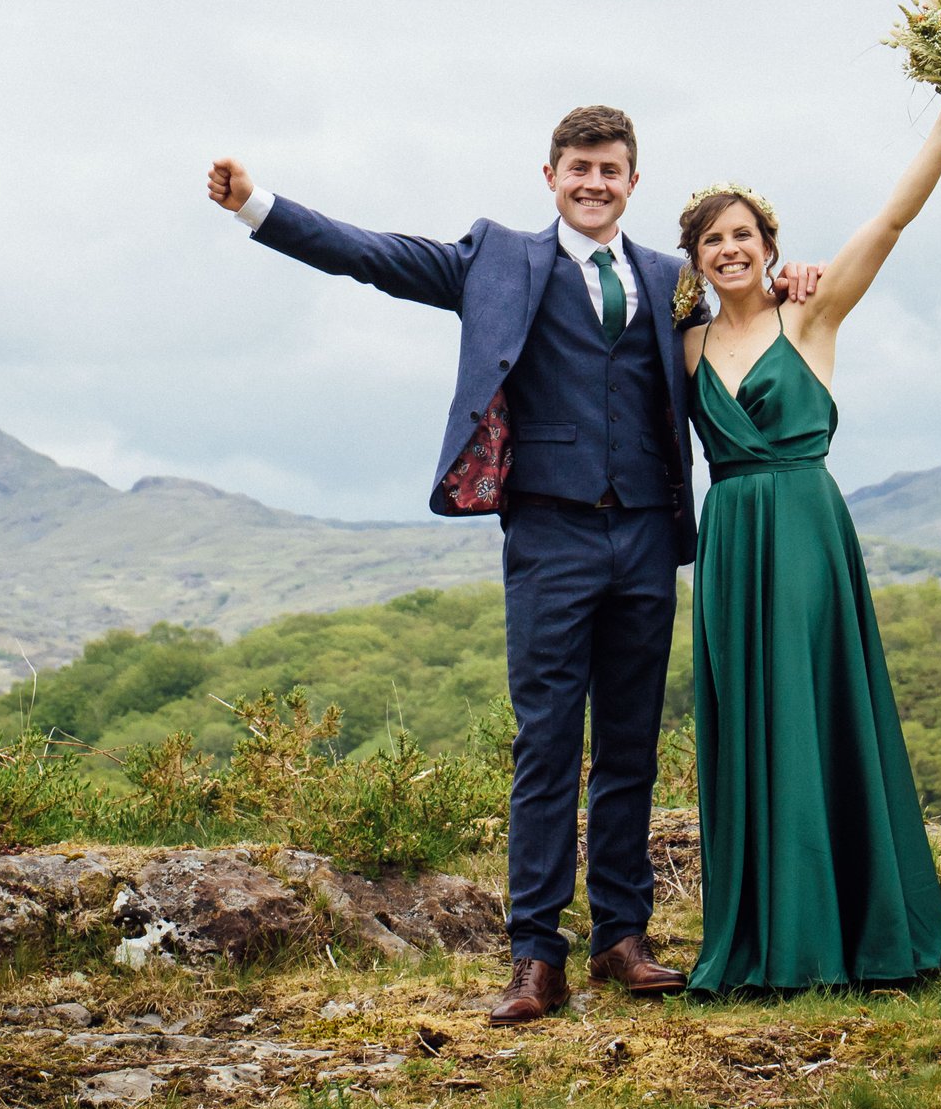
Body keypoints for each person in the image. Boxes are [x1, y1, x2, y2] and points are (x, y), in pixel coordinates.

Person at [207, 108, 818, 1023]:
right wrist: (259, 204)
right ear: (551, 176)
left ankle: (622, 937)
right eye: (580, 168)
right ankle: (536, 954)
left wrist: (790, 282)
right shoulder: (496, 257)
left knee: (630, 746)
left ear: (633, 183)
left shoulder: (672, 278)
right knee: (546, 746)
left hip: (647, 535)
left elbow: (743, 314)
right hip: (548, 536)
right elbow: (374, 255)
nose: (595, 183)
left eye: (610, 170)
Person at [674, 67, 941, 993]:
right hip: (730, 542)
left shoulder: (810, 312)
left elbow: (890, 221)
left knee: (813, 705)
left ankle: (852, 932)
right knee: (749, 724)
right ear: (694, 259)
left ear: (770, 245)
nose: (730, 248)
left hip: (805, 529)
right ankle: (767, 937)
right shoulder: (683, 345)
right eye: (712, 239)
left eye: (743, 234)